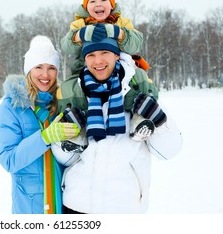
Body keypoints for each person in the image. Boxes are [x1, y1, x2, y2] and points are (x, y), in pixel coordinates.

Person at [52, 38, 183, 214]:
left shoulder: (137, 92)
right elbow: (67, 160)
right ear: (84, 60)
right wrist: (63, 138)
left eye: (104, 52)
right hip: (77, 205)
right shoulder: (76, 96)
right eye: (91, 55)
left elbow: (168, 151)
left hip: (121, 208)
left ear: (116, 55)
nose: (98, 61)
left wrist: (159, 121)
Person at [61, 0, 159, 140]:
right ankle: (78, 130)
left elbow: (135, 43)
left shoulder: (121, 22)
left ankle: (139, 120)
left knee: (134, 89)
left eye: (103, 0)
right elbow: (66, 46)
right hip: (87, 68)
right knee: (76, 92)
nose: (98, 4)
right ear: (86, 7)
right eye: (92, 1)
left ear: (112, 4)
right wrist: (80, 35)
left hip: (120, 66)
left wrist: (118, 32)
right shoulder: (79, 24)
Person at [0, 35, 80, 214]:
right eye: (39, 67)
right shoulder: (12, 107)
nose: (45, 75)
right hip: (30, 207)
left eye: (51, 68)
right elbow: (9, 159)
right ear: (29, 69)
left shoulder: (63, 101)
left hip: (66, 204)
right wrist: (45, 137)